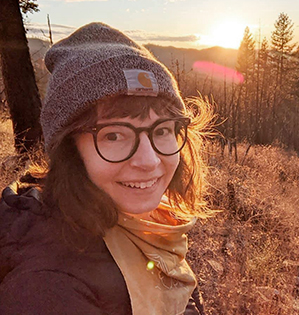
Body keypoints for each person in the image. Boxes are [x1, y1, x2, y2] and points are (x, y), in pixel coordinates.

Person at [0, 22, 212, 315]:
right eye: (114, 135)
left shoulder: (148, 225)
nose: (149, 160)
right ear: (69, 151)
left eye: (162, 130)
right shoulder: (48, 288)